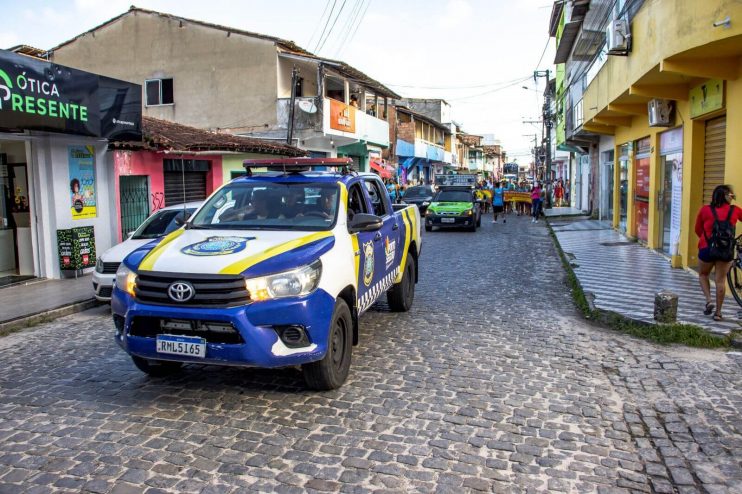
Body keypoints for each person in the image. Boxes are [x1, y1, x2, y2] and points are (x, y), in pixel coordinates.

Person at [694, 184, 742, 321]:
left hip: (706, 248)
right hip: (725, 250)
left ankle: (709, 300)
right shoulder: (735, 211)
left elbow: (697, 229)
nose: (733, 198)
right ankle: (719, 313)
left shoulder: (705, 210)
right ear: (726, 197)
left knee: (703, 275)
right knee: (720, 280)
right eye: (731, 195)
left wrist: (706, 240)